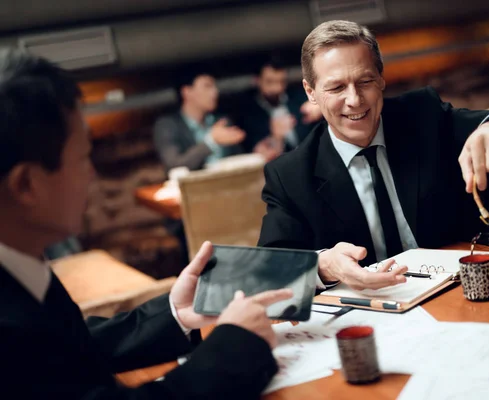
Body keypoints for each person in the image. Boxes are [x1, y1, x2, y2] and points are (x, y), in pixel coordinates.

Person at [0, 48, 292, 398]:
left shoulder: (23, 265)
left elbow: (66, 353)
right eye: (81, 158)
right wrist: (234, 345)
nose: (92, 174)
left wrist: (175, 313)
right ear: (27, 184)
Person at [257, 20, 489, 291]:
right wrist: (324, 265)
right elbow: (269, 272)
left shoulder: (423, 115)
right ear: (311, 92)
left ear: (382, 79)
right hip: (367, 318)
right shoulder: (290, 175)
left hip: (456, 294)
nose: (355, 100)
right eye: (336, 87)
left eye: (365, 81)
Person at [235, 54, 323, 160]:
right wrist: (276, 137)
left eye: (281, 82)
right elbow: (259, 156)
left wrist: (320, 107)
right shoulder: (248, 113)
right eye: (270, 82)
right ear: (257, 81)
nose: (277, 88)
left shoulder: (300, 98)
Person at [153, 72, 246, 171]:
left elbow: (239, 158)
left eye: (214, 86)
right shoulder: (168, 125)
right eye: (207, 86)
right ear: (187, 92)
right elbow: (175, 165)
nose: (214, 92)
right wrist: (211, 141)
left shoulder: (222, 122)